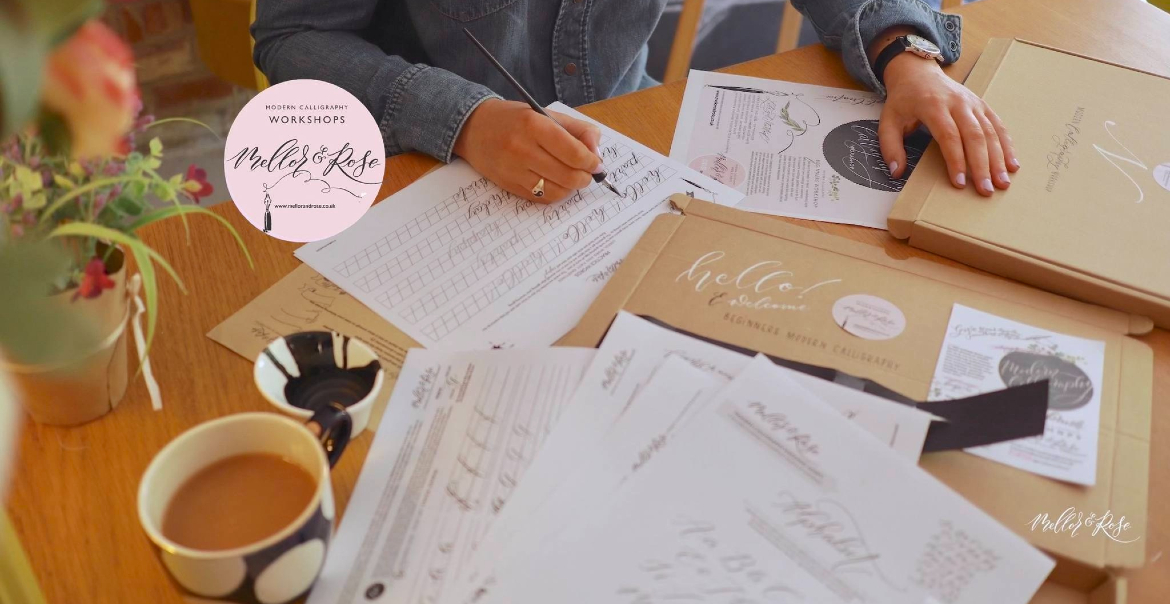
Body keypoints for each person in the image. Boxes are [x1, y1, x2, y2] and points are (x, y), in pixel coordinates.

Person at [253, 0, 1018, 204]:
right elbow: (292, 36)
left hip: (628, 149)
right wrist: (465, 119)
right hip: (421, 174)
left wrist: (904, 52)